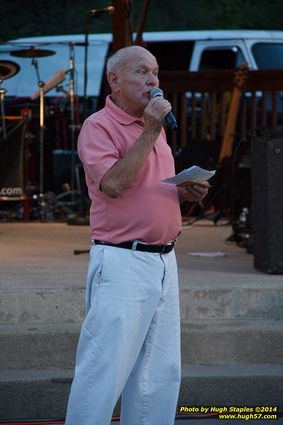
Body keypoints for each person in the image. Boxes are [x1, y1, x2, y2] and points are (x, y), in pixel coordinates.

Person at [65, 45, 208, 425]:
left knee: (159, 373)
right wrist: (149, 131)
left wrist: (185, 192)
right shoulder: (99, 126)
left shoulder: (153, 129)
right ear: (114, 80)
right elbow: (112, 184)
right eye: (142, 72)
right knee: (103, 369)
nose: (153, 81)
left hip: (164, 260)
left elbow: (148, 186)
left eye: (156, 72)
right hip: (122, 261)